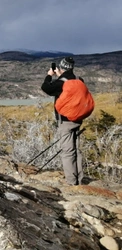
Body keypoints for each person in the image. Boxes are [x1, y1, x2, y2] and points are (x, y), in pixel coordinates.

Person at [41, 57, 84, 185]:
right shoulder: (77, 80)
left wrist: (49, 75)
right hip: (77, 119)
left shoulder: (62, 82)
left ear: (61, 67)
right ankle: (79, 179)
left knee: (67, 151)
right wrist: (60, 75)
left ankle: (71, 182)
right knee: (76, 150)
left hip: (65, 121)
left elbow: (46, 88)